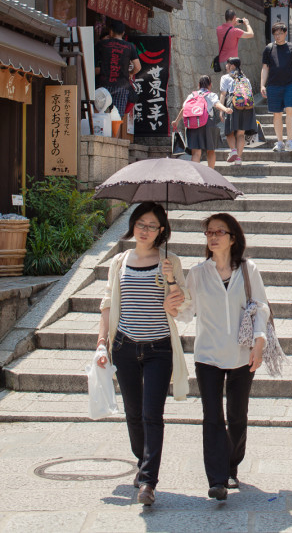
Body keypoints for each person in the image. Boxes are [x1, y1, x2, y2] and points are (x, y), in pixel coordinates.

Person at [95, 202, 190, 506]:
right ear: (133, 225)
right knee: (133, 414)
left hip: (158, 348)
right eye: (141, 224)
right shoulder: (120, 261)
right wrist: (101, 342)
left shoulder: (169, 261)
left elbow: (181, 308)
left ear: (162, 231)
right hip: (124, 346)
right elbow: (108, 303)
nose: (146, 230)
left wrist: (171, 280)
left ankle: (148, 481)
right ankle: (142, 460)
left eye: (152, 226)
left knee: (152, 414)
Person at [181, 213, 270, 500]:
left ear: (233, 238)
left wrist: (259, 344)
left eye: (220, 232)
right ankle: (217, 479)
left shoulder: (248, 270)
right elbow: (185, 312)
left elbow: (261, 307)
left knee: (237, 415)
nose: (214, 236)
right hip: (207, 354)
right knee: (212, 416)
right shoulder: (197, 273)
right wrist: (172, 290)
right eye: (209, 232)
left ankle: (232, 465)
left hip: (241, 353)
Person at [171, 75, 232, 168]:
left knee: (196, 152)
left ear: (199, 85)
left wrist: (176, 121)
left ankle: (197, 176)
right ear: (210, 85)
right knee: (210, 150)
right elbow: (217, 104)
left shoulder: (192, 95)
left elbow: (184, 108)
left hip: (192, 124)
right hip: (207, 123)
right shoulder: (211, 95)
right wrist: (225, 109)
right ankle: (210, 174)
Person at [260, 23, 292, 151]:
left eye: (280, 33)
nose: (278, 36)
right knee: (277, 114)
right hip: (273, 85)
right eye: (275, 34)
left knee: (290, 110)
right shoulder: (269, 48)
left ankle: (289, 140)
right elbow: (264, 68)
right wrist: (262, 84)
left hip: (290, 84)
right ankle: (279, 141)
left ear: (285, 33)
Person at [94, 19, 141, 117]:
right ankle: (114, 133)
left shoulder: (102, 44)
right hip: (122, 87)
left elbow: (93, 67)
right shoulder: (129, 47)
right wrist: (130, 73)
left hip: (104, 86)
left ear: (111, 31)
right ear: (123, 33)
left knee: (101, 115)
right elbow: (137, 67)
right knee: (117, 117)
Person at [219, 58, 257, 165]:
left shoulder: (225, 78)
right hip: (247, 107)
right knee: (241, 134)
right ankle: (239, 159)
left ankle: (233, 151)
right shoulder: (245, 78)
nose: (226, 66)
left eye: (227, 64)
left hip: (233, 104)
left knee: (229, 131)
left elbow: (223, 94)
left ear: (232, 65)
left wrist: (221, 110)